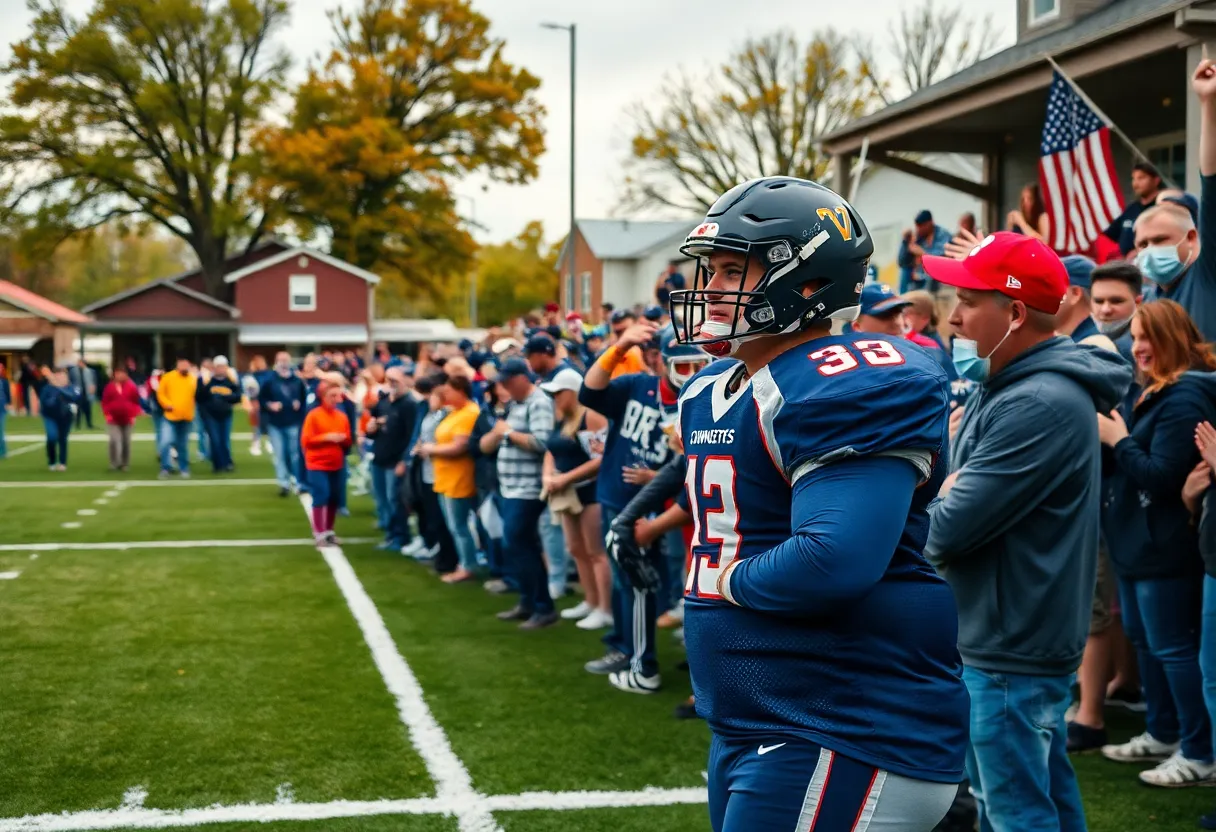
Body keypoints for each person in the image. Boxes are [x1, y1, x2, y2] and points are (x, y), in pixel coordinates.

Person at [666, 176, 966, 830]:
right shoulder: (716, 385)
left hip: (845, 724)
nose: (710, 287)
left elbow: (834, 559)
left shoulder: (848, 383)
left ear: (807, 283)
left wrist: (723, 582)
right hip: (760, 719)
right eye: (709, 269)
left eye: (732, 269)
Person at [921, 230, 1132, 831]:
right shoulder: (1008, 385)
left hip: (1010, 641)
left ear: (1014, 312)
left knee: (1011, 811)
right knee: (1038, 800)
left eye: (967, 300)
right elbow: (948, 494)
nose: (953, 318)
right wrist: (947, 489)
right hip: (1005, 632)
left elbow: (948, 527)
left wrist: (944, 493)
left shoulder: (1037, 401)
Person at [1098, 299, 1216, 785]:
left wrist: (1117, 438)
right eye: (1136, 338)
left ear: (1175, 337)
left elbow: (1164, 476)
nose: (1138, 347)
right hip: (1136, 543)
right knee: (1149, 643)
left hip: (1166, 547)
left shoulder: (1185, 397)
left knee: (1173, 648)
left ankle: (1200, 751)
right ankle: (1164, 732)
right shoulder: (1152, 391)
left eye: (1148, 337)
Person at [578, 318, 675, 693]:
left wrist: (658, 478)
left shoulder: (696, 397)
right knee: (625, 582)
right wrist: (619, 347)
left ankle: (638, 656)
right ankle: (624, 646)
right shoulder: (638, 385)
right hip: (614, 497)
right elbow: (590, 392)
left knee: (639, 583)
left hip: (654, 507)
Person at [478, 358, 559, 630]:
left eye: (509, 380)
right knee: (517, 545)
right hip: (510, 487)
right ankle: (528, 601)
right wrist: (499, 434)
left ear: (524, 377)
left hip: (528, 488)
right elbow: (488, 444)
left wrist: (508, 432)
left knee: (519, 543)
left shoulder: (538, 402)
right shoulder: (514, 404)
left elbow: (542, 442)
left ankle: (542, 606)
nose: (505, 386)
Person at [541, 367, 612, 630]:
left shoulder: (590, 417)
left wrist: (564, 478)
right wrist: (549, 476)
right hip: (567, 491)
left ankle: (605, 608)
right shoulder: (563, 417)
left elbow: (602, 458)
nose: (555, 398)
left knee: (595, 552)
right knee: (576, 549)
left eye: (559, 393)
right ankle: (590, 600)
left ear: (571, 392)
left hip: (590, 492)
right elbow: (551, 450)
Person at [419, 374, 482, 584]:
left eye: (449, 391)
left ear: (460, 391)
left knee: (459, 525)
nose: (445, 395)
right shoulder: (454, 411)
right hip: (445, 475)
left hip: (459, 475)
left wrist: (430, 449)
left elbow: (459, 446)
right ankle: (464, 562)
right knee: (454, 524)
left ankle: (467, 565)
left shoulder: (469, 413)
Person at [368, 367, 416, 553]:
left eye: (396, 380)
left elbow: (412, 436)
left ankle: (400, 536)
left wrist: (404, 461)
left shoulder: (409, 404)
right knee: (382, 498)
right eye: (389, 380)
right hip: (380, 456)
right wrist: (372, 429)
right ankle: (390, 533)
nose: (392, 384)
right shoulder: (384, 402)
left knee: (395, 499)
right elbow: (374, 427)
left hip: (395, 460)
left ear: (405, 380)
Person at [301, 381, 353, 546]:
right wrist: (327, 437)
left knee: (334, 497)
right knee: (321, 494)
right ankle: (319, 533)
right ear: (322, 397)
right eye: (332, 395)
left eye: (338, 395)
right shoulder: (314, 415)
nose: (337, 399)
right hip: (317, 463)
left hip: (336, 463)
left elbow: (348, 439)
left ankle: (329, 531)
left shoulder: (342, 416)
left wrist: (344, 439)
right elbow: (306, 440)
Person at [259, 353, 308, 496]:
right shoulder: (269, 380)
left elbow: (304, 400)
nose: (284, 363)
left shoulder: (297, 381)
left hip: (293, 421)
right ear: (276, 362)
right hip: (275, 423)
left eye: (286, 360)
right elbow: (262, 400)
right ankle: (283, 483)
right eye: (281, 360)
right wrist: (270, 405)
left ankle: (298, 480)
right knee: (279, 454)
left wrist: (299, 405)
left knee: (294, 454)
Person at [1105, 162, 1165, 256]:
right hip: (1127, 267)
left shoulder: (1164, 208)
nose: (1136, 183)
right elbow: (1110, 235)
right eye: (1134, 178)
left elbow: (1167, 239)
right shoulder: (1131, 209)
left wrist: (1138, 252)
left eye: (1141, 178)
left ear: (1156, 180)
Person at [196, 355, 241, 473]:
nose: (221, 369)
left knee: (225, 439)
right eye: (218, 367)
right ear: (214, 368)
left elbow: (238, 397)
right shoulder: (206, 380)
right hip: (210, 414)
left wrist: (226, 397)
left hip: (225, 414)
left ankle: (227, 463)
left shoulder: (230, 381)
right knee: (215, 439)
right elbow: (199, 397)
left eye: (223, 367)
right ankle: (218, 465)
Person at [156, 357, 198, 479]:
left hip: (186, 417)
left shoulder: (193, 379)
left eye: (186, 364)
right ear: (177, 365)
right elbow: (160, 393)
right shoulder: (168, 377)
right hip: (170, 416)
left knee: (183, 444)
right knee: (165, 442)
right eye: (182, 364)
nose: (184, 367)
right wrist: (166, 404)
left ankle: (183, 468)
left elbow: (198, 394)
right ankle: (165, 467)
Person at [897, 208, 951, 294]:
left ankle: (927, 296)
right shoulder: (918, 237)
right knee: (905, 270)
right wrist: (905, 241)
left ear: (930, 223)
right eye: (917, 226)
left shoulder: (943, 235)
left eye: (921, 225)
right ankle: (903, 299)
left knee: (931, 269)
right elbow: (901, 262)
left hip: (936, 277)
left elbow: (940, 259)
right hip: (919, 278)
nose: (918, 229)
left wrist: (922, 253)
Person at [101, 365, 142, 471]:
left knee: (126, 441)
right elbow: (105, 402)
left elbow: (136, 401)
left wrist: (134, 415)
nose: (119, 375)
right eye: (117, 373)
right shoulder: (109, 387)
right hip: (113, 419)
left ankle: (125, 463)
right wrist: (107, 414)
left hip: (127, 418)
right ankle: (114, 462)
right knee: (114, 440)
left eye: (122, 373)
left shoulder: (131, 386)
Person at [39, 370, 78, 472]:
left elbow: (73, 397)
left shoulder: (71, 387)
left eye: (63, 377)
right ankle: (52, 461)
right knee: (51, 437)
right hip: (50, 417)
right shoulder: (47, 388)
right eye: (58, 377)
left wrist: (59, 388)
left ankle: (62, 462)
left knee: (63, 439)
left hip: (66, 417)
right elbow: (45, 402)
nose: (61, 379)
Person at [0, 362, 9, 460]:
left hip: (1, 409)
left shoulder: (4, 382)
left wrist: (8, 404)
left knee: (0, 431)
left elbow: (7, 393)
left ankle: (3, 451)